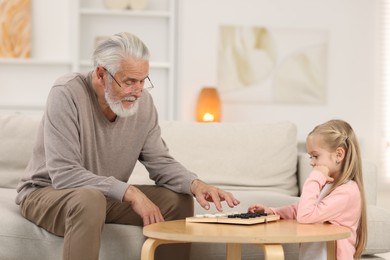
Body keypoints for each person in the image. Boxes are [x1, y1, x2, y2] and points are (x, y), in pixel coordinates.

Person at [15, 32, 240, 260]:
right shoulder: (66, 93)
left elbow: (160, 162)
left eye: (143, 80)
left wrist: (195, 184)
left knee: (178, 200)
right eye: (129, 81)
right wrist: (129, 192)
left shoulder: (143, 105)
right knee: (89, 200)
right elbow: (64, 174)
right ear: (101, 74)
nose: (138, 90)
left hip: (104, 198)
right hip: (49, 193)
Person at [248, 119, 367, 259]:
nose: (311, 162)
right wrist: (274, 211)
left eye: (315, 156)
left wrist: (315, 177)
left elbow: (305, 216)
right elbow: (301, 209)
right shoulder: (327, 184)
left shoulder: (347, 192)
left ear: (339, 155)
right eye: (311, 157)